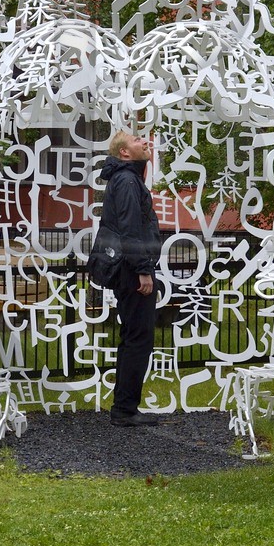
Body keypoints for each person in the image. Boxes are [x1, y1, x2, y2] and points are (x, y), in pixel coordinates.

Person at [97, 130, 161, 427]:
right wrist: (143, 269)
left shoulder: (128, 178)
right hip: (131, 269)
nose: (145, 142)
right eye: (138, 140)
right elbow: (130, 227)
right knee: (138, 338)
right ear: (124, 152)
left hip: (129, 267)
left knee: (134, 337)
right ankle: (124, 409)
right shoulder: (125, 180)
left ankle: (124, 406)